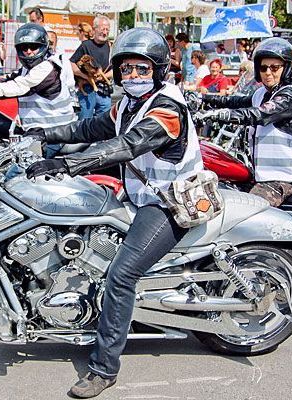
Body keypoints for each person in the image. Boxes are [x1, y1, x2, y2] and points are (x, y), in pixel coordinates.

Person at [21, 27, 202, 398]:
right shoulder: (127, 104)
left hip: (167, 203)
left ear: (158, 70)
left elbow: (126, 146)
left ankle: (104, 368)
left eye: (141, 69)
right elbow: (91, 126)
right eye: (127, 70)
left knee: (121, 275)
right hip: (139, 197)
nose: (132, 76)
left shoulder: (167, 109)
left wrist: (67, 166)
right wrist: (44, 135)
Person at [199, 37, 292, 207]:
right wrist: (203, 98)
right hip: (262, 174)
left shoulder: (290, 96)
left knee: (247, 211)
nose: (268, 72)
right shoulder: (262, 93)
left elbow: (259, 114)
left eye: (274, 68)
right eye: (263, 67)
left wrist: (220, 115)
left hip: (284, 178)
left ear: (287, 68)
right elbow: (236, 101)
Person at [0, 23, 76, 133]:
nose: (29, 51)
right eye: (24, 47)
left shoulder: (49, 67)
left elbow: (20, 87)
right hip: (39, 131)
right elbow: (7, 80)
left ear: (43, 46)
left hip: (58, 132)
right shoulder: (26, 69)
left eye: (34, 47)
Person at [70, 15, 113, 119]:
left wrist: (102, 77)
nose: (105, 32)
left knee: (104, 124)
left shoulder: (111, 46)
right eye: (103, 29)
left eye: (107, 29)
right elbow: (71, 64)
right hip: (87, 89)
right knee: (85, 121)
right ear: (94, 29)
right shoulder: (86, 45)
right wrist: (85, 77)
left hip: (104, 90)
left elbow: (116, 68)